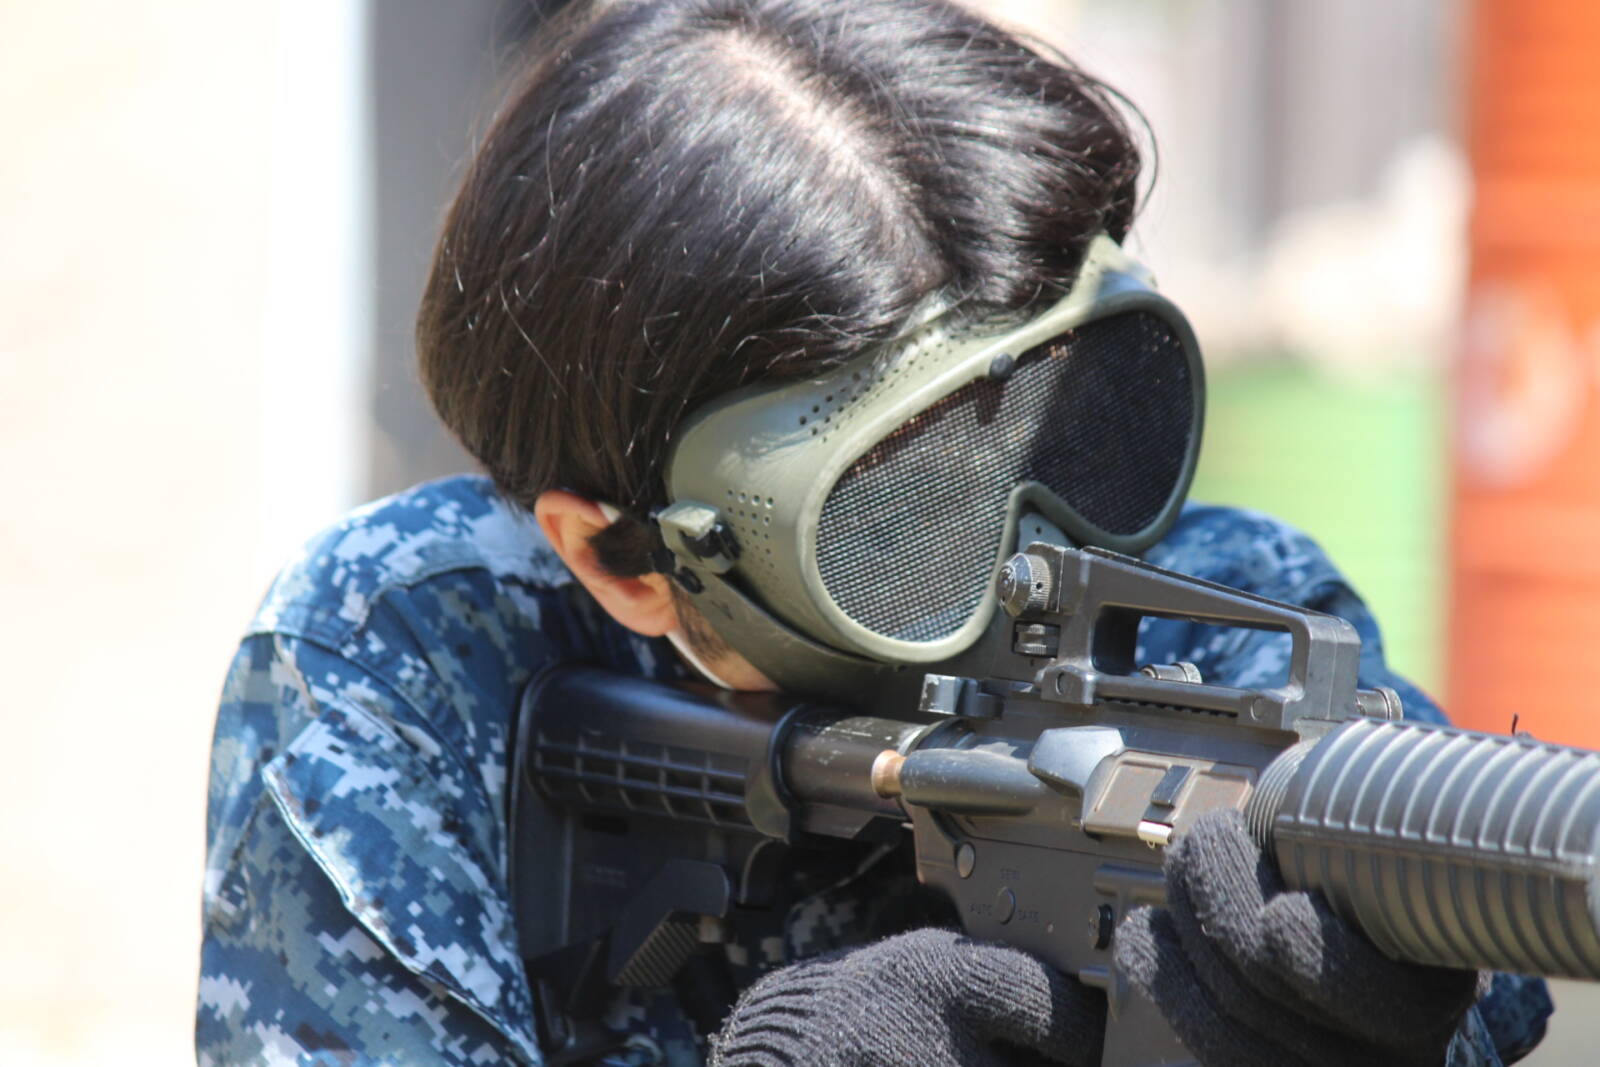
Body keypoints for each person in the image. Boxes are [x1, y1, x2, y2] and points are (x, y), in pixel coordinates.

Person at [196, 0, 1553, 1064]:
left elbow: (1473, 949)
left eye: (1078, 428)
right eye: (907, 512)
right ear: (618, 560)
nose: (1034, 553)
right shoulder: (430, 651)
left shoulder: (1227, 611)